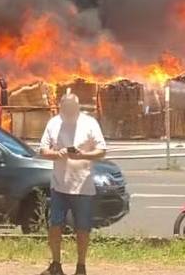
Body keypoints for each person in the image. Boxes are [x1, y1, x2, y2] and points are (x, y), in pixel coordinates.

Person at [38, 93, 107, 275]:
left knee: (82, 229)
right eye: (65, 109)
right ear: (61, 107)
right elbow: (42, 149)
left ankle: (81, 266)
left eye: (72, 109)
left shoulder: (90, 123)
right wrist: (57, 154)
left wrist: (83, 155)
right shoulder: (53, 123)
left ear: (77, 108)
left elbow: (102, 150)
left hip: (83, 186)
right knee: (55, 226)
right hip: (59, 185)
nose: (69, 112)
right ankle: (56, 265)